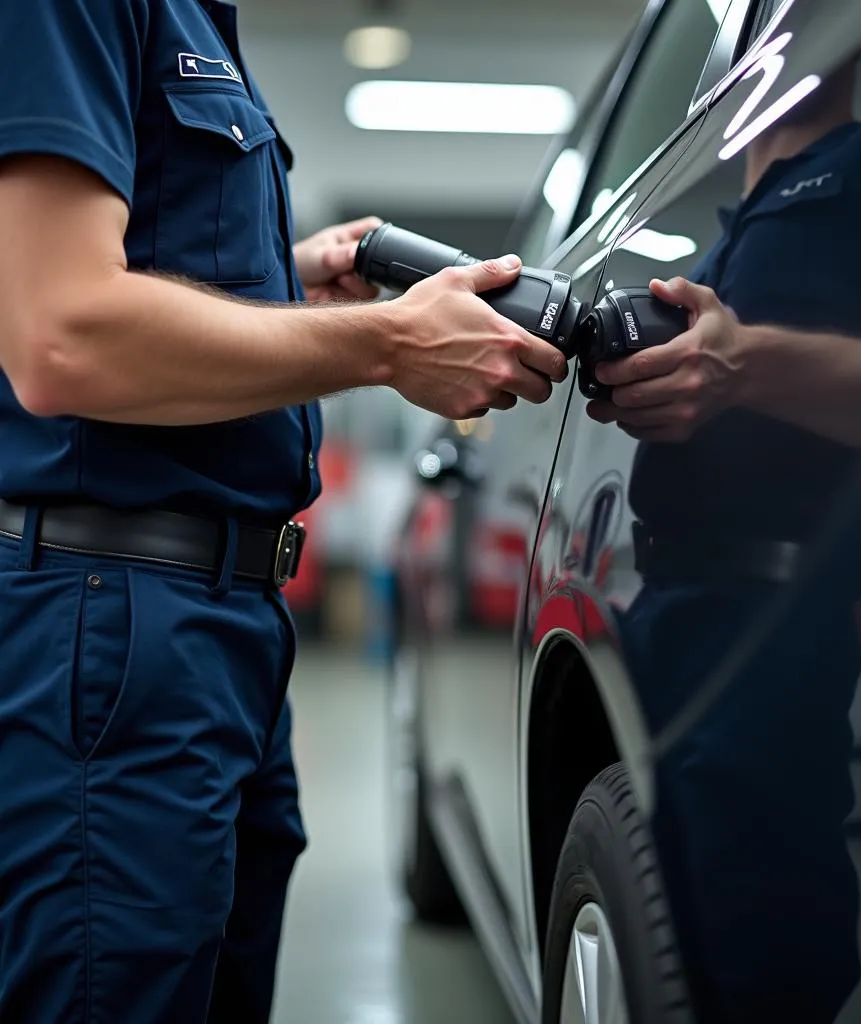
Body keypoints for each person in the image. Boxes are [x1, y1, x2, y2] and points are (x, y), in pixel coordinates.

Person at [0, 2, 566, 1022]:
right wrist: (386, 345)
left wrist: (283, 283)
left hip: (218, 633)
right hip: (116, 629)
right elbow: (62, 336)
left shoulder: (201, 20)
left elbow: (137, 279)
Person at [588, 57, 861, 1022]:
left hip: (775, 625)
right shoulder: (727, 229)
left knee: (758, 953)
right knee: (665, 942)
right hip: (664, 620)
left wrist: (743, 365)